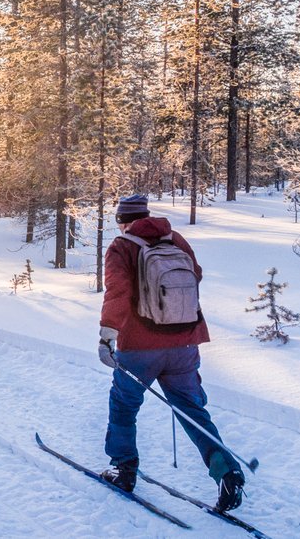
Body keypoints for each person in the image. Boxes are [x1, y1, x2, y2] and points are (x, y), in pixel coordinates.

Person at [97, 194, 246, 512]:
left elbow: (118, 292)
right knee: (192, 410)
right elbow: (196, 275)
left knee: (124, 406)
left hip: (139, 347)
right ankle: (227, 472)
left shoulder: (121, 246)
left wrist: (108, 334)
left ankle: (123, 470)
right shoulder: (176, 239)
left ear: (122, 221)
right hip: (184, 343)